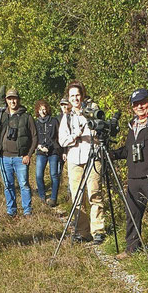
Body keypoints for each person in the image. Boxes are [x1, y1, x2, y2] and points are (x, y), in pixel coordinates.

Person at [111, 88, 148, 259]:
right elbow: (128, 150)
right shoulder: (132, 125)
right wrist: (111, 154)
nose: (140, 107)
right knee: (132, 214)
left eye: (143, 102)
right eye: (136, 104)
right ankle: (132, 248)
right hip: (134, 178)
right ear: (132, 107)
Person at [58, 80, 106, 244]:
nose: (75, 98)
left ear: (82, 95)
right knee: (77, 196)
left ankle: (98, 230)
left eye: (77, 95)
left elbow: (101, 131)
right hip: (74, 159)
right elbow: (62, 141)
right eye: (72, 96)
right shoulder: (67, 117)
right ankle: (81, 231)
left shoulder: (92, 110)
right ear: (68, 98)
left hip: (92, 156)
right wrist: (76, 135)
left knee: (94, 193)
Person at [0, 88, 37, 217]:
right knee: (8, 185)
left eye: (14, 98)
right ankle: (11, 211)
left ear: (18, 99)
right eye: (10, 98)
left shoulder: (26, 117)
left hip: (20, 158)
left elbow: (34, 137)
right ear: (6, 100)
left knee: (24, 185)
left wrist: (28, 154)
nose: (12, 101)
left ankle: (27, 211)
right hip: (4, 157)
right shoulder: (2, 116)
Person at [34, 99, 62, 207]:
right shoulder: (36, 123)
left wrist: (61, 150)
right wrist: (38, 146)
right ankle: (42, 197)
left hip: (53, 151)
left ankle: (53, 198)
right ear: (38, 111)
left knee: (54, 175)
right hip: (41, 152)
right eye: (41, 110)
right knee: (38, 175)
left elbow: (58, 136)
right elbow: (34, 137)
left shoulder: (54, 121)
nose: (43, 111)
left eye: (44, 109)